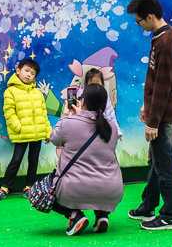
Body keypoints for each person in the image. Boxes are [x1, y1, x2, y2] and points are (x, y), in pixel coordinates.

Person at [125, 0, 172, 230]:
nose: (139, 25)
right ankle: (148, 205)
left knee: (165, 163)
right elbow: (156, 80)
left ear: (150, 16)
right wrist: (147, 105)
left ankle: (171, 215)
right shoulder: (163, 35)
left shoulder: (165, 42)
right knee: (156, 160)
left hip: (165, 115)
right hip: (162, 110)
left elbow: (163, 87)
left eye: (139, 21)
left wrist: (153, 122)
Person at [48, 83, 123, 235]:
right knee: (98, 182)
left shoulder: (69, 123)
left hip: (74, 189)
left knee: (45, 191)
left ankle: (75, 216)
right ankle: (102, 215)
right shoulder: (113, 127)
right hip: (110, 189)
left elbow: (54, 138)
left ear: (82, 101)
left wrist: (67, 115)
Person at [0, 58, 50, 200]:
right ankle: (5, 187)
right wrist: (19, 127)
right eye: (26, 71)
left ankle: (29, 187)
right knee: (16, 159)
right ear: (18, 71)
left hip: (37, 133)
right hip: (22, 133)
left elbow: (43, 113)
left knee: (33, 161)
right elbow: (9, 113)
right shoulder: (10, 91)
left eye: (33, 73)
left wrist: (48, 132)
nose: (29, 75)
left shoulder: (37, 93)